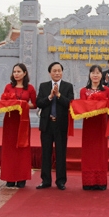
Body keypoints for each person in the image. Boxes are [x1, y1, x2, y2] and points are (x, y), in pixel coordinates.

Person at [36, 62, 74, 190]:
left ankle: (61, 181)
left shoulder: (68, 86)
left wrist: (58, 95)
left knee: (61, 153)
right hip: (47, 125)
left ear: (62, 72)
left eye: (59, 70)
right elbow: (39, 103)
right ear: (49, 73)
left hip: (61, 125)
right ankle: (45, 180)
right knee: (45, 153)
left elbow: (70, 103)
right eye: (54, 71)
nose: (57, 73)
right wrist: (50, 96)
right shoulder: (44, 86)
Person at [1, 63, 36, 189]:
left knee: (22, 147)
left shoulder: (30, 88)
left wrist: (22, 104)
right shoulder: (8, 87)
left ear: (24, 73)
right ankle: (9, 177)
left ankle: (21, 177)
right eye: (14, 71)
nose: (16, 74)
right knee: (9, 148)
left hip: (23, 121)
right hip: (10, 120)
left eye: (19, 71)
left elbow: (35, 104)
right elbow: (2, 102)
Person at [80, 65, 109, 190]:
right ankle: (88, 182)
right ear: (89, 75)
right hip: (88, 125)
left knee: (100, 152)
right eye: (93, 72)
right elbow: (83, 106)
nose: (95, 75)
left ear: (102, 75)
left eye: (98, 73)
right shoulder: (84, 90)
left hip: (101, 125)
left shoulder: (107, 90)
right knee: (88, 152)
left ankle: (101, 181)